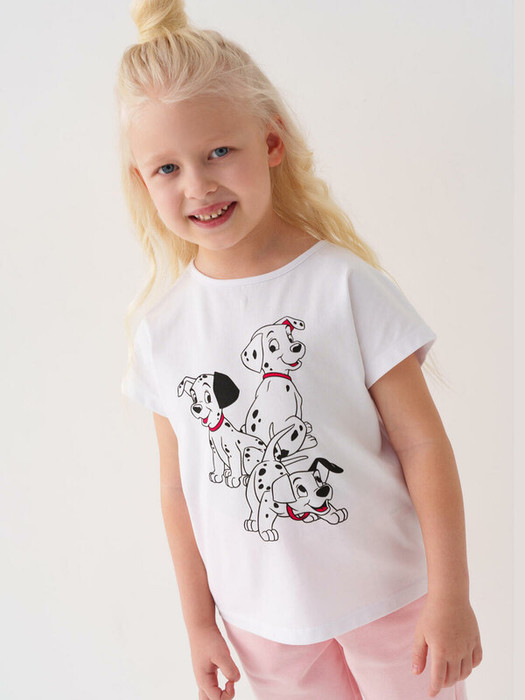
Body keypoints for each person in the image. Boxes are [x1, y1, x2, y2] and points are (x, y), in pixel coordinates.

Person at [117, 1, 483, 698]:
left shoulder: (343, 285)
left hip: (392, 604)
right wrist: (198, 623)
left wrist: (450, 597)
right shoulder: (162, 331)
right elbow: (177, 490)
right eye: (166, 167)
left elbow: (423, 446)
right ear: (142, 181)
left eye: (218, 152)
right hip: (261, 627)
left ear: (271, 143)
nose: (198, 185)